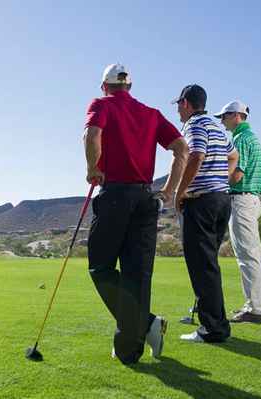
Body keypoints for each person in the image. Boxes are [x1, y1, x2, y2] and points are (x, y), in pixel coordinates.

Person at [84, 64, 188, 364]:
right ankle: (130, 349)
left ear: (105, 86)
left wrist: (92, 169)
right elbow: (181, 147)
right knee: (137, 275)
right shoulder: (151, 113)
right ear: (129, 86)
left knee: (100, 268)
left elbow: (93, 134)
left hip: (115, 195)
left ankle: (145, 324)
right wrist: (166, 192)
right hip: (146, 199)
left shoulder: (100, 104)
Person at [173, 85, 239, 343]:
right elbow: (234, 156)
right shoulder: (216, 126)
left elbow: (196, 155)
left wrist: (180, 191)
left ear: (187, 103)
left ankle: (213, 329)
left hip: (201, 203)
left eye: (179, 104)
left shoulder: (194, 125)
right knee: (208, 265)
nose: (178, 109)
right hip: (221, 200)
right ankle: (215, 322)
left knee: (202, 266)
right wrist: (220, 180)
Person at [215, 100, 261, 323]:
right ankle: (258, 304)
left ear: (237, 116)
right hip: (251, 200)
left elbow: (237, 174)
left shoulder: (240, 139)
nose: (221, 120)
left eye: (224, 116)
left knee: (247, 256)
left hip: (242, 200)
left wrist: (215, 183)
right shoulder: (249, 137)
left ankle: (254, 308)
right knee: (253, 254)